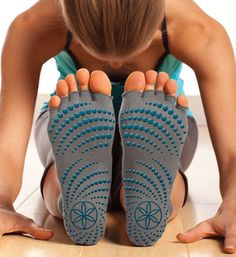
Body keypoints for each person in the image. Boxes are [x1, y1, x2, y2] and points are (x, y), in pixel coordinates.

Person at [0, 0, 235, 252]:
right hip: (75, 126)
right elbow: (7, 147)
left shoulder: (198, 29)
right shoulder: (33, 26)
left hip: (154, 126)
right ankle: (150, 198)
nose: (113, 64)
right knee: (165, 176)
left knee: (59, 171)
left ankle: (69, 200)